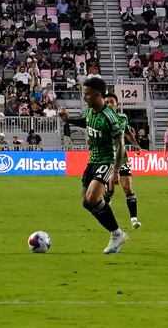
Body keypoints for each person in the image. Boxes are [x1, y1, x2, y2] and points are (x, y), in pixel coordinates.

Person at [58, 77, 129, 253]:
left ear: (98, 95)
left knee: (92, 198)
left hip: (106, 161)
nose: (84, 97)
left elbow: (121, 146)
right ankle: (115, 227)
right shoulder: (91, 111)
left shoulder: (110, 117)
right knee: (85, 202)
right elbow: (85, 121)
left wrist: (115, 172)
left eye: (87, 94)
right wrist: (68, 119)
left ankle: (116, 234)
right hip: (92, 160)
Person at [104, 95, 141, 230]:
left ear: (116, 105)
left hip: (122, 157)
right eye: (106, 102)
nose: (108, 104)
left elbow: (128, 133)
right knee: (111, 189)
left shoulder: (122, 118)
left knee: (127, 187)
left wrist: (136, 145)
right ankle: (106, 204)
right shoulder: (99, 118)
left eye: (111, 102)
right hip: (107, 158)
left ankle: (134, 219)